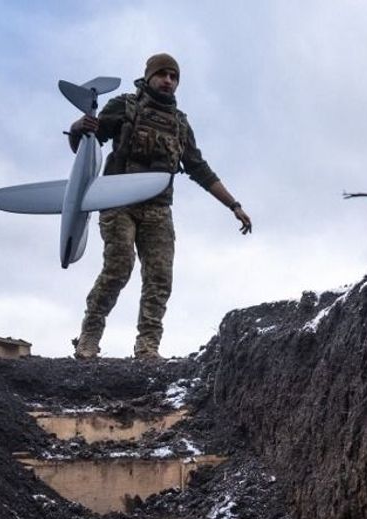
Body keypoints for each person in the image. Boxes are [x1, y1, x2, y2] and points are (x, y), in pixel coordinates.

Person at [67, 53, 251, 360]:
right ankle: (88, 338)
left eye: (174, 77)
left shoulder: (179, 124)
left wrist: (234, 205)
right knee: (118, 267)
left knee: (159, 277)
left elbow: (199, 168)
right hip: (117, 201)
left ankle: (147, 346)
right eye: (163, 74)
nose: (169, 81)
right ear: (149, 76)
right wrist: (77, 129)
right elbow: (86, 149)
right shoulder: (125, 106)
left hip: (158, 209)